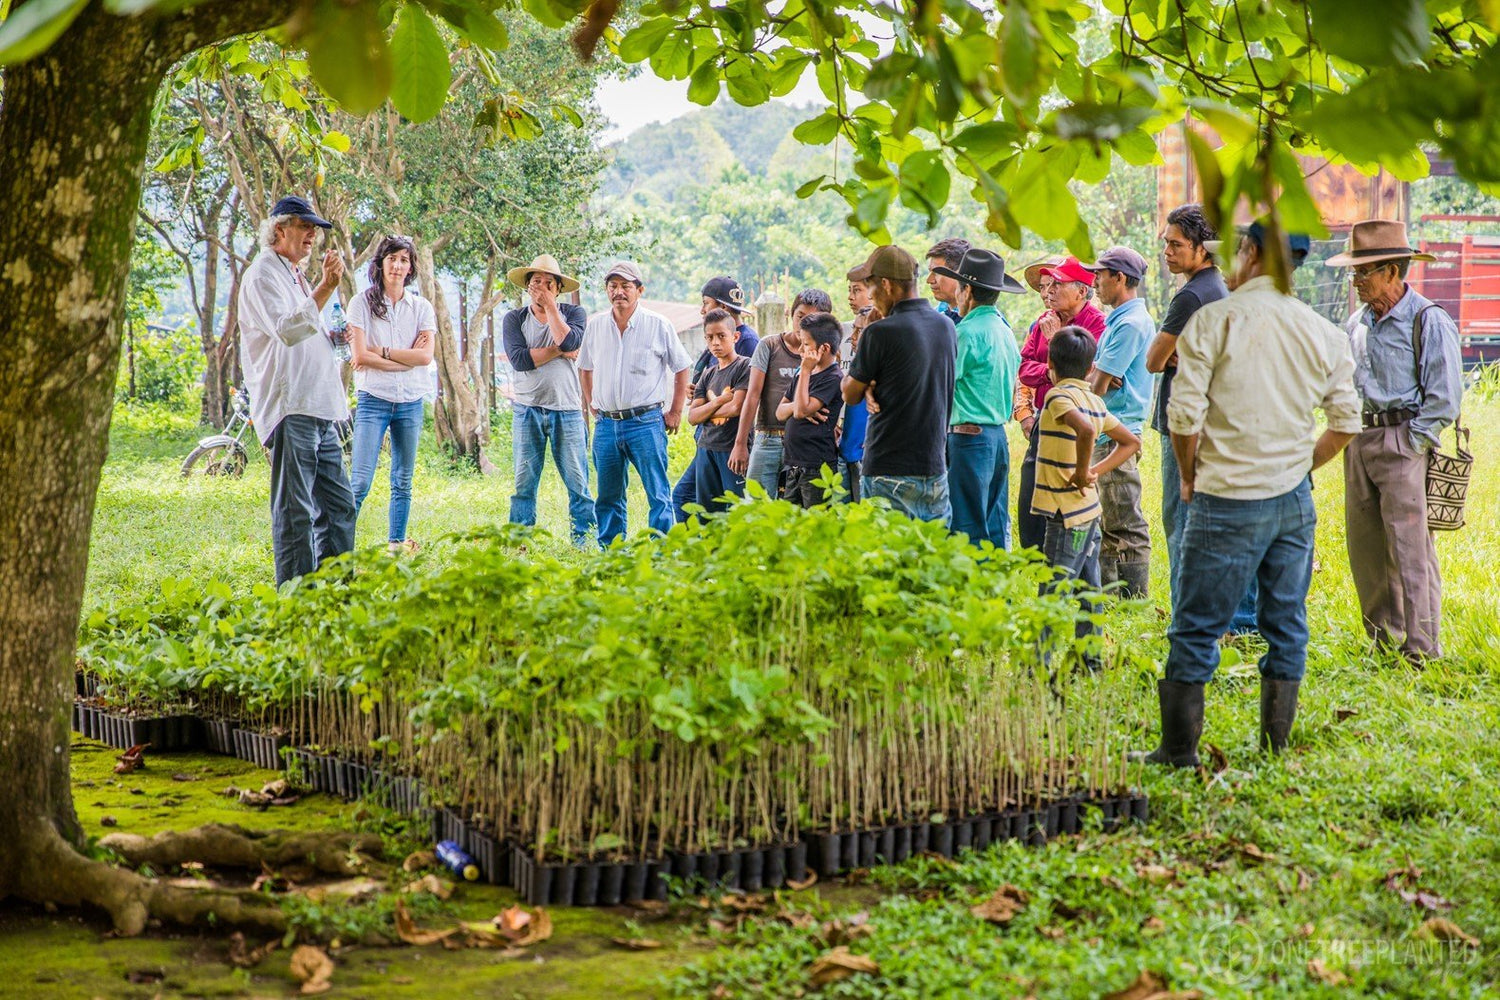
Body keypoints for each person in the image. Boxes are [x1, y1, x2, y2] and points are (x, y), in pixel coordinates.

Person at [1136, 223, 1361, 767]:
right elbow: (1346, 422)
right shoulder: (1322, 331)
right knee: (1286, 623)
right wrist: (1298, 464)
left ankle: (1177, 750)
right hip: (1292, 502)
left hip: (1225, 496)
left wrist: (1188, 475)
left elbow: (1183, 415)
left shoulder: (1215, 320)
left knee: (1195, 625)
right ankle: (1274, 746)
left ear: (1252, 253)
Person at [1328, 219, 1463, 662]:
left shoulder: (1428, 319)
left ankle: (1422, 647)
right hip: (1358, 439)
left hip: (1403, 441)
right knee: (1365, 549)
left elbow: (1444, 397)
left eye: (1363, 272)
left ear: (1392, 271)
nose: (1356, 281)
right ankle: (1382, 638)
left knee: (1410, 549)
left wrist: (1412, 442)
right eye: (1353, 273)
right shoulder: (1356, 324)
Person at [238, 195, 356, 585]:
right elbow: (287, 330)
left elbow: (312, 332)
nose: (312, 236)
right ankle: (294, 601)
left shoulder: (295, 274)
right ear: (278, 230)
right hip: (291, 408)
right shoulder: (261, 275)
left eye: (315, 230)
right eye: (305, 227)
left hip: (321, 406)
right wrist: (325, 287)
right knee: (296, 512)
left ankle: (334, 594)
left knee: (340, 507)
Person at [1031, 327, 1141, 662]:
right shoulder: (1094, 399)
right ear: (1092, 367)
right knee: (1088, 590)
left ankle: (1040, 663)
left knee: (1054, 588)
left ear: (1050, 362)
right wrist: (1096, 471)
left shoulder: (1057, 396)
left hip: (1065, 514)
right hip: (1089, 512)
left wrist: (1083, 472)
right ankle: (1089, 659)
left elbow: (1085, 429)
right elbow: (1131, 442)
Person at [1145, 204, 1235, 612]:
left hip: (1183, 420)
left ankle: (1185, 615)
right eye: (1166, 244)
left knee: (1180, 520)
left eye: (1177, 245)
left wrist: (1174, 356)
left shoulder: (1191, 295)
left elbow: (1152, 360)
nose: (1168, 252)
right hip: (1212, 417)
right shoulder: (1220, 288)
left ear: (1203, 249)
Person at [578, 262, 692, 546]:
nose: (619, 292)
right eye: (613, 286)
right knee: (608, 495)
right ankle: (611, 552)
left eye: (626, 286)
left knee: (658, 492)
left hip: (645, 422)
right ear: (606, 291)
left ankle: (661, 553)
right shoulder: (596, 326)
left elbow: (681, 367)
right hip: (606, 424)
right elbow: (585, 367)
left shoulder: (658, 325)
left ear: (639, 290)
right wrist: (592, 404)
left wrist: (676, 411)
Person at [842, 245, 957, 522]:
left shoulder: (879, 333)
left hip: (888, 467)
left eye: (870, 288)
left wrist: (867, 335)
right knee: (931, 557)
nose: (870, 297)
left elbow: (849, 392)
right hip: (934, 466)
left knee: (887, 559)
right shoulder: (945, 326)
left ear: (886, 285)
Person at [929, 248, 1025, 547]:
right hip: (997, 437)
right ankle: (998, 590)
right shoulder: (1004, 330)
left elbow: (939, 385)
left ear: (967, 290)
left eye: (958, 286)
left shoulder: (966, 332)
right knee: (994, 522)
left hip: (968, 438)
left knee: (967, 524)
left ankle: (971, 591)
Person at [347, 234, 436, 554]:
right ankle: (339, 545)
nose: (398, 266)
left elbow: (425, 358)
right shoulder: (362, 303)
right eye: (392, 259)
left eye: (404, 260)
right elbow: (359, 357)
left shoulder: (422, 307)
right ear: (381, 264)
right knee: (359, 482)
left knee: (403, 481)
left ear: (411, 267)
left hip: (411, 402)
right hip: (374, 399)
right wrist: (404, 360)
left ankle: (396, 545)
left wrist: (382, 352)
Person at [500, 253, 594, 547]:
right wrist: (558, 351)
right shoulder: (515, 318)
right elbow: (520, 360)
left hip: (566, 409)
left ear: (557, 288)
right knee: (524, 483)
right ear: (527, 287)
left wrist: (552, 310)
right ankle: (520, 543)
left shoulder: (575, 314)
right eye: (536, 281)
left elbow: (570, 341)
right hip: (527, 409)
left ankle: (584, 541)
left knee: (578, 481)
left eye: (548, 283)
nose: (541, 287)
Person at [1015, 256, 1107, 549]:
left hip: (1078, 415)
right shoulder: (1042, 322)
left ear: (1081, 291)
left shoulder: (1096, 324)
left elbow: (1084, 375)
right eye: (1048, 285)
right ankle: (1033, 555)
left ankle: (1069, 554)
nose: (1049, 291)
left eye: (1058, 284)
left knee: (1072, 489)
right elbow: (1025, 369)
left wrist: (1055, 344)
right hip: (1046, 412)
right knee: (1032, 481)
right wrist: (1051, 372)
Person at [1080, 246, 1156, 596]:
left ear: (1120, 278)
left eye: (1100, 275)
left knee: (1124, 519)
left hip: (1116, 431)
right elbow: (1097, 377)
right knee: (1107, 519)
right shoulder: (1119, 320)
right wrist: (1098, 375)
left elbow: (1096, 385)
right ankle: (1112, 596)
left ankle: (1132, 599)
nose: (1095, 282)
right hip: (1105, 431)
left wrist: (1098, 376)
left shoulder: (1130, 324)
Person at [730, 289, 834, 498]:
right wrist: (740, 443)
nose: (804, 325)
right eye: (801, 317)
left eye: (813, 320)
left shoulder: (822, 355)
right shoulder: (769, 345)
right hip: (768, 438)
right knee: (756, 505)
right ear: (790, 313)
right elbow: (753, 395)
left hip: (804, 443)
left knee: (796, 508)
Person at [673, 277, 760, 522]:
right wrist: (717, 401)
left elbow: (741, 403)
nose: (702, 310)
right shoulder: (712, 359)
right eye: (710, 338)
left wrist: (711, 405)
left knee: (732, 509)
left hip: (731, 442)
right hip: (708, 441)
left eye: (706, 303)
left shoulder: (748, 344)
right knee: (700, 506)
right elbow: (695, 413)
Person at [777, 312, 847, 507]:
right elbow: (780, 412)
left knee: (816, 525)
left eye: (806, 345)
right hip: (794, 463)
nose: (800, 350)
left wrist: (806, 370)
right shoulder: (802, 376)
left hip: (816, 466)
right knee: (792, 523)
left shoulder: (833, 378)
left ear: (824, 348)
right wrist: (800, 405)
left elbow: (799, 412)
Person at [687, 310, 752, 514]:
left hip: (731, 448)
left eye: (721, 336)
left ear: (735, 337)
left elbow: (736, 408)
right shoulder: (708, 374)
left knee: (737, 510)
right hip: (706, 447)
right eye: (710, 337)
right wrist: (721, 401)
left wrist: (705, 410)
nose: (715, 342)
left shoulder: (745, 366)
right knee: (707, 512)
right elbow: (692, 417)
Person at [839, 265, 877, 503]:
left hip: (867, 447)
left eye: (857, 290)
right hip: (847, 443)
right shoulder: (845, 339)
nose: (851, 297)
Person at [925, 237, 971, 324]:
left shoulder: (976, 322)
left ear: (959, 274)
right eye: (930, 271)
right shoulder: (936, 315)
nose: (929, 280)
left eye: (937, 273)